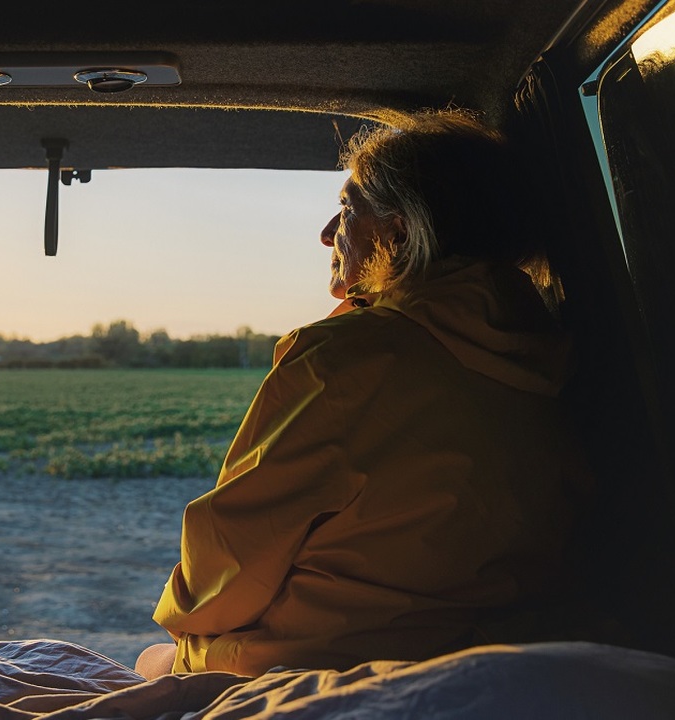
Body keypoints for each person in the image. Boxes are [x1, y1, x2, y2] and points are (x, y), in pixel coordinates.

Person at [137, 112, 589, 679]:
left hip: (311, 663)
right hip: (480, 655)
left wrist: (181, 625)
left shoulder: (344, 361)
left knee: (151, 661)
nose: (328, 232)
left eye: (349, 208)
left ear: (400, 234)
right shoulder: (550, 356)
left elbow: (232, 557)